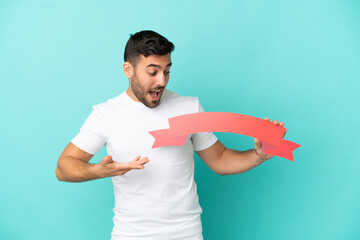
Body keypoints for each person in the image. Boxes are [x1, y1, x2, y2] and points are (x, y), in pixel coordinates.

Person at [56, 30, 285, 240]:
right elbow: (64, 167)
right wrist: (98, 170)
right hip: (130, 235)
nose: (162, 81)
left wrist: (259, 155)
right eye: (153, 72)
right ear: (128, 70)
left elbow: (220, 159)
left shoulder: (189, 107)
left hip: (186, 234)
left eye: (167, 71)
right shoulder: (106, 114)